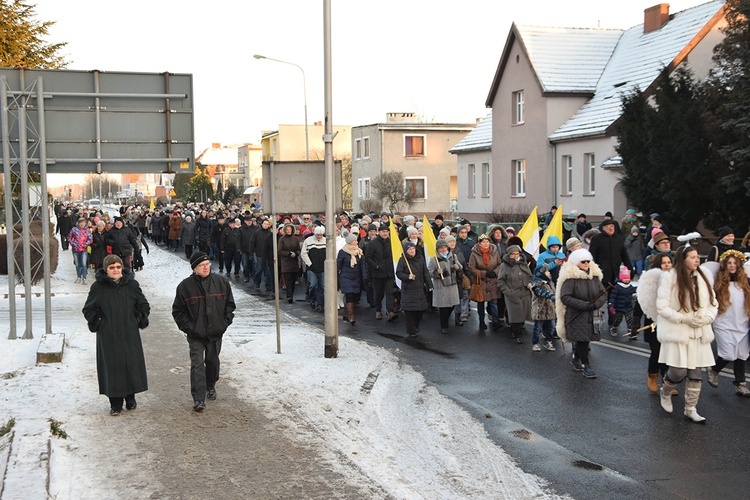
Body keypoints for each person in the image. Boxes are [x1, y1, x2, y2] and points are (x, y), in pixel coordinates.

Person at [82, 254, 150, 416]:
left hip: (129, 332)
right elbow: (88, 309)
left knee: (130, 364)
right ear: (106, 270)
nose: (115, 270)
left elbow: (143, 304)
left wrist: (137, 318)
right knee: (112, 367)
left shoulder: (131, 285)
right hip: (108, 335)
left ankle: (130, 397)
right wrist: (99, 321)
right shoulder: (98, 288)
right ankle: (115, 403)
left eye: (118, 267)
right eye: (112, 268)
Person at [656, 245, 717, 423]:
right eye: (692, 257)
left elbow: (714, 303)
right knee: (678, 371)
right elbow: (662, 307)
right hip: (679, 331)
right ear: (683, 260)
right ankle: (665, 392)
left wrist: (706, 319)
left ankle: (690, 408)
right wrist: (684, 319)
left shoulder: (703, 277)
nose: (696, 260)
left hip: (699, 331)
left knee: (696, 372)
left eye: (697, 257)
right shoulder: (670, 277)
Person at [172, 252, 236, 412]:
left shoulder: (221, 282)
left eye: (207, 264)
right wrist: (189, 328)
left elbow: (230, 305)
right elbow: (178, 311)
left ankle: (210, 385)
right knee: (197, 364)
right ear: (194, 268)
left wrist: (225, 322)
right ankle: (198, 398)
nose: (206, 267)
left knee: (212, 361)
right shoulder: (185, 287)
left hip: (216, 332)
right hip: (195, 334)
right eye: (202, 265)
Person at [556, 248, 607, 379]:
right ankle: (586, 365)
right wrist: (584, 305)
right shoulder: (570, 279)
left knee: (585, 339)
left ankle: (575, 359)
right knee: (582, 340)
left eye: (587, 261)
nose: (586, 263)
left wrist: (596, 304)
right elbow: (565, 297)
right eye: (583, 261)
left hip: (592, 313)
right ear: (576, 262)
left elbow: (603, 293)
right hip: (576, 314)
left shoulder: (594, 277)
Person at [706, 250, 750, 397]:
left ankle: (740, 384)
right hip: (724, 322)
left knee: (741, 355)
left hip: (742, 322)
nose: (732, 266)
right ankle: (714, 369)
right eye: (729, 263)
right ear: (724, 265)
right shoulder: (718, 282)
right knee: (728, 355)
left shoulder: (745, 282)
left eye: (734, 263)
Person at [636, 252, 674, 393]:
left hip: (670, 321)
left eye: (669, 262)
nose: (667, 265)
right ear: (658, 264)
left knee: (668, 353)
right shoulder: (650, 280)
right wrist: (635, 323)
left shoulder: (674, 279)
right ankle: (652, 376)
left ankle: (666, 381)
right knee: (657, 352)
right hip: (653, 321)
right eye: (664, 263)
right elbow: (641, 302)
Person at [395, 241, 432, 340]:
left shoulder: (420, 258)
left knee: (420, 309)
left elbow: (426, 272)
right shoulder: (403, 260)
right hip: (408, 289)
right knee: (410, 311)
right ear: (406, 251)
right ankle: (411, 330)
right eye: (409, 249)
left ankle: (416, 325)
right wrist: (407, 276)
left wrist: (429, 284)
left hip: (419, 288)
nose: (412, 251)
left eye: (413, 248)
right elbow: (398, 273)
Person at [498, 244, 533, 343]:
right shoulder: (504, 266)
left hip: (525, 293)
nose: (515, 256)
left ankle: (519, 328)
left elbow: (530, 275)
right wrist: (508, 292)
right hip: (513, 293)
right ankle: (516, 333)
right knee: (516, 315)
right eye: (513, 254)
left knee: (523, 314)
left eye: (517, 254)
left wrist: (529, 284)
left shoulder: (523, 263)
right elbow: (500, 281)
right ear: (509, 255)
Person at [468, 234, 503, 332]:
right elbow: (471, 268)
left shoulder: (494, 252)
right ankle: (481, 322)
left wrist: (495, 272)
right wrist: (484, 273)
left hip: (492, 281)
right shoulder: (474, 253)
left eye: (487, 241)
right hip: (481, 281)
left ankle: (495, 321)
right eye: (483, 242)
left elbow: (500, 264)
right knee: (481, 302)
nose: (486, 243)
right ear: (479, 243)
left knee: (494, 302)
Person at [365, 225, 398, 321]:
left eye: (387, 231)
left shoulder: (392, 242)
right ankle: (378, 310)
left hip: (389, 272)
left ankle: (390, 311)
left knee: (390, 292)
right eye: (383, 231)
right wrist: (376, 266)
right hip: (377, 273)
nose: (385, 233)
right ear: (379, 232)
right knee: (378, 293)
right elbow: (368, 258)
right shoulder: (373, 243)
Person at [428, 239, 461, 334]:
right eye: (441, 248)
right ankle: (444, 325)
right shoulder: (434, 259)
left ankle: (446, 319)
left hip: (452, 285)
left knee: (452, 305)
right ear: (437, 249)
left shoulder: (453, 256)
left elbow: (460, 266)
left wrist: (457, 267)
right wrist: (436, 273)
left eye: (445, 247)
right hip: (441, 286)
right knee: (443, 308)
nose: (443, 249)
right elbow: (429, 272)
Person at [337, 232, 367, 324]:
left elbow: (363, 265)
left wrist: (364, 277)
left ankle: (347, 313)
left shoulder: (359, 252)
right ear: (350, 242)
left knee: (355, 297)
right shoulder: (343, 252)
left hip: (356, 277)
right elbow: (338, 265)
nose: (356, 242)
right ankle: (351, 316)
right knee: (349, 295)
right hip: (346, 277)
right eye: (354, 241)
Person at [530, 264, 557, 352]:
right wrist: (551, 296)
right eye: (547, 271)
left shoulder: (550, 283)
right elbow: (542, 292)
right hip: (539, 310)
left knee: (552, 327)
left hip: (550, 310)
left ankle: (548, 341)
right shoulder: (537, 285)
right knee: (537, 327)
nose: (549, 273)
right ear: (541, 274)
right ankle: (535, 343)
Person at [301, 225, 327, 312]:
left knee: (322, 286)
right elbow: (303, 253)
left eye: (320, 235)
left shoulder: (326, 241)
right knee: (313, 284)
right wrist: (309, 264)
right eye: (317, 235)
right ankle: (312, 298)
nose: (319, 236)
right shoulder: (308, 241)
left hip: (323, 267)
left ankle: (320, 304)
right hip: (312, 267)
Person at [609, 265, 637, 337]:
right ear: (621, 278)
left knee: (630, 320)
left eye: (628, 278)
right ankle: (614, 327)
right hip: (619, 308)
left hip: (628, 307)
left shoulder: (630, 287)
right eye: (625, 278)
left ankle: (630, 331)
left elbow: (635, 290)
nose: (627, 280)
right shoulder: (617, 287)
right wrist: (611, 305)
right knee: (618, 320)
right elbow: (613, 297)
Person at [278, 223, 302, 303]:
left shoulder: (295, 239)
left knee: (293, 280)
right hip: (286, 262)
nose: (288, 231)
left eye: (290, 230)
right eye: (287, 230)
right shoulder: (282, 239)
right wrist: (288, 253)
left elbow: (298, 249)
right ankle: (289, 296)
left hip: (294, 262)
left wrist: (296, 253)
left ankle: (291, 293)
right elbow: (280, 251)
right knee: (287, 280)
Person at [69, 217, 93, 285]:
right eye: (80, 222)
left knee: (84, 264)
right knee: (77, 264)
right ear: (78, 223)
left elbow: (90, 239)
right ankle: (78, 276)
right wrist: (73, 244)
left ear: (85, 223)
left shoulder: (87, 230)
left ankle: (84, 278)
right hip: (75, 249)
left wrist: (85, 244)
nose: (82, 224)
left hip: (83, 250)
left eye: (83, 222)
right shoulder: (74, 229)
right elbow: (69, 237)